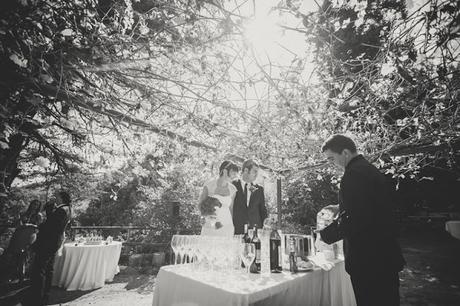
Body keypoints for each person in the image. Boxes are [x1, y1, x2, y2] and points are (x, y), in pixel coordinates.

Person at [319, 134, 405, 306]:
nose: (331, 163)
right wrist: (340, 207)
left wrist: (324, 236)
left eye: (331, 158)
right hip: (384, 255)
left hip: (369, 261)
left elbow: (354, 219)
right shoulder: (368, 169)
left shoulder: (353, 175)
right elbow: (369, 205)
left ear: (344, 152)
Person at [27, 190, 72, 306]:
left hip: (48, 243)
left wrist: (38, 227)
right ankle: (45, 297)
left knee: (39, 270)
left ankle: (36, 298)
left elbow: (50, 227)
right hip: (53, 243)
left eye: (56, 196)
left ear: (62, 198)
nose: (55, 198)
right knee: (49, 269)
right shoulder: (67, 209)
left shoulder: (62, 210)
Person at [199, 161, 239, 236]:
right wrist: (204, 220)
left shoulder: (233, 189)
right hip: (211, 223)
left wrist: (232, 225)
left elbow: (231, 209)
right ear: (224, 171)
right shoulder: (209, 185)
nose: (234, 176)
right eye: (233, 173)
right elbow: (201, 205)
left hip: (227, 224)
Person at [232, 159, 268, 235]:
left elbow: (263, 210)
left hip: (255, 232)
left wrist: (265, 226)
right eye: (254, 171)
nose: (256, 174)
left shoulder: (258, 189)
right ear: (246, 170)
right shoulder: (233, 185)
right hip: (236, 230)